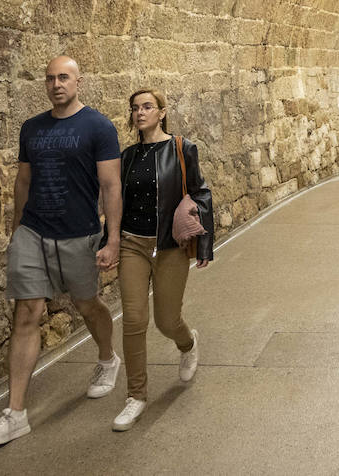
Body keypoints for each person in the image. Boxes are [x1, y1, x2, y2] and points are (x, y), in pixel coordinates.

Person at [0, 56, 123, 447]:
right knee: (27, 311)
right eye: (50, 78)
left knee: (87, 303)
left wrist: (112, 238)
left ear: (78, 82)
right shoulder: (32, 128)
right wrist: (16, 230)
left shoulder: (98, 126)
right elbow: (23, 181)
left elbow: (111, 186)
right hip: (33, 232)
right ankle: (16, 413)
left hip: (79, 234)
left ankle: (108, 358)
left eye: (64, 77)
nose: (57, 84)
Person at [112, 88, 215, 431]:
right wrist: (110, 242)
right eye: (135, 108)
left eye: (147, 107)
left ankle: (188, 344)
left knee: (166, 321)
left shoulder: (182, 148)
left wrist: (204, 245)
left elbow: (200, 192)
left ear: (161, 112)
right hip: (133, 245)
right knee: (133, 320)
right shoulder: (127, 157)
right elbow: (116, 202)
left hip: (170, 246)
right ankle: (136, 396)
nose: (140, 113)